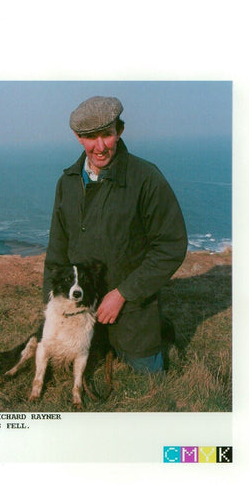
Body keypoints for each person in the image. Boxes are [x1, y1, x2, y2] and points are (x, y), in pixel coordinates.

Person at [43, 96, 188, 373]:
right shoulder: (67, 183)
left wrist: (122, 293)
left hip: (129, 307)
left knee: (147, 373)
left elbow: (171, 246)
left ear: (119, 131)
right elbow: (57, 252)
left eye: (107, 135)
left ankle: (157, 326)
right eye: (90, 137)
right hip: (79, 308)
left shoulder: (146, 178)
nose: (100, 147)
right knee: (55, 363)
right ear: (78, 137)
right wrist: (52, 309)